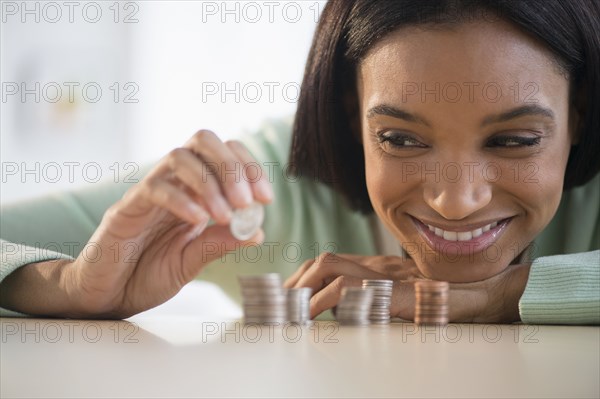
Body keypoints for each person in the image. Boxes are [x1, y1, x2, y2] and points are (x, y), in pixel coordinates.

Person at [1, 0, 598, 324]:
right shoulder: (259, 187)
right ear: (349, 114)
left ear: (579, 115)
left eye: (515, 141)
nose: (455, 200)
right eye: (400, 139)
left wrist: (502, 294)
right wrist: (64, 284)